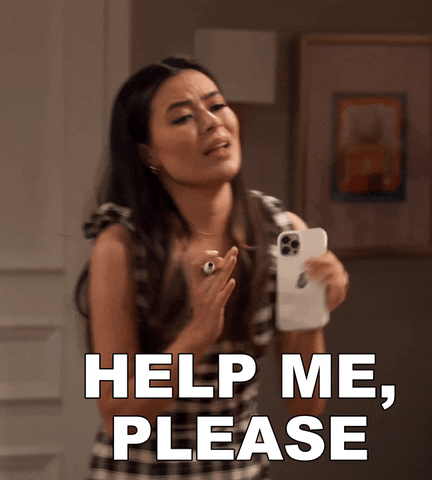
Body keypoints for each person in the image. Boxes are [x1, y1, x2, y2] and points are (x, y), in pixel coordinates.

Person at [75, 55, 349, 479]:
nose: (211, 122)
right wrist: (198, 332)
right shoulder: (121, 247)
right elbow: (119, 415)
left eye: (217, 105)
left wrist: (313, 315)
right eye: (183, 117)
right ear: (148, 152)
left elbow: (306, 407)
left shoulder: (285, 233)